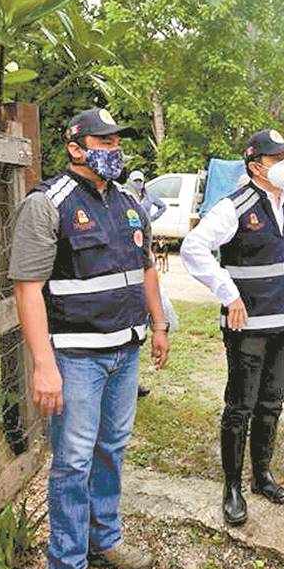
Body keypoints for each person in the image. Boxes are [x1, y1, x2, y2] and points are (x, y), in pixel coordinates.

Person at [9, 108, 167, 569]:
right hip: (74, 357)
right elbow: (28, 290)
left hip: (126, 351)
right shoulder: (47, 204)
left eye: (118, 140)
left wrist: (159, 324)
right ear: (75, 146)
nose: (114, 147)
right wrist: (43, 364)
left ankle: (106, 539)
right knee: (73, 462)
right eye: (104, 139)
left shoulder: (128, 202)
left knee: (112, 449)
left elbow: (147, 270)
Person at [181, 129, 284, 527]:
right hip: (247, 325)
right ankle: (232, 486)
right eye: (278, 159)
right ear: (256, 166)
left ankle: (262, 475)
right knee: (241, 407)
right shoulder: (233, 207)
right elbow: (194, 248)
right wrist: (227, 293)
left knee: (272, 403)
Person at [126, 169, 167, 400]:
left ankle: (132, 381)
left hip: (144, 249)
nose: (140, 184)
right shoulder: (124, 201)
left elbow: (147, 267)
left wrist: (159, 327)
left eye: (142, 180)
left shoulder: (145, 200)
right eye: (136, 181)